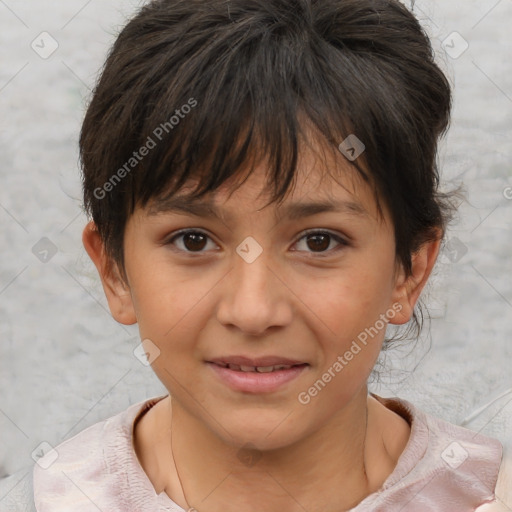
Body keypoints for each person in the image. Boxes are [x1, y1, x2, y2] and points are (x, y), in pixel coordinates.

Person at [31, 0, 511, 510]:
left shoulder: (486, 495)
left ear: (409, 270)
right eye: (194, 240)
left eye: (319, 241)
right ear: (114, 272)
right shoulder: (45, 499)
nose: (253, 311)